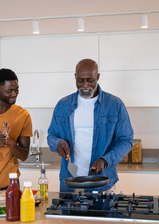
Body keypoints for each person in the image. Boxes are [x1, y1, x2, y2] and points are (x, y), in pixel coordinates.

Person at [47, 58, 133, 192]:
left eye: (90, 80)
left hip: (102, 183)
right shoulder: (63, 105)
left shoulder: (114, 105)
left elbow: (126, 141)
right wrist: (58, 143)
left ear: (97, 77)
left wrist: (105, 160)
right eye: (80, 81)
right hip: (71, 182)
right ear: (75, 77)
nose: (85, 85)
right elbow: (52, 135)